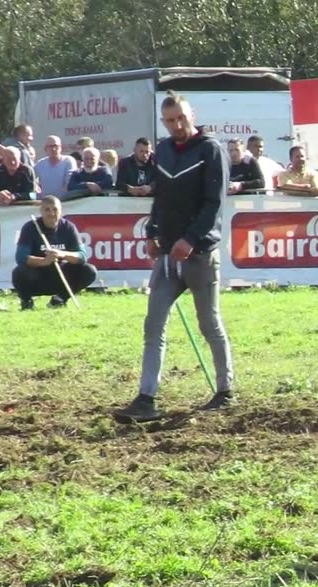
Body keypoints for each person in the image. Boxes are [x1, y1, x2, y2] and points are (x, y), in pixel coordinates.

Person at [114, 94, 234, 422]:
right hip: (167, 255)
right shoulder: (163, 150)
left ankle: (225, 390)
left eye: (180, 118)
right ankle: (146, 398)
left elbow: (214, 204)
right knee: (153, 324)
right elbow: (161, 197)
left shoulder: (211, 149)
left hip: (200, 255)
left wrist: (190, 239)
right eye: (170, 121)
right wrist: (153, 233)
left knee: (208, 322)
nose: (176, 125)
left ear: (191, 114)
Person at [12, 196, 98, 310]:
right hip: (37, 276)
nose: (51, 213)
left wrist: (62, 254)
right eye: (47, 210)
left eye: (55, 209)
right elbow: (21, 257)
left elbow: (82, 256)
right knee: (19, 272)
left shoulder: (68, 227)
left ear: (61, 211)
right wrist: (44, 261)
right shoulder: (30, 227)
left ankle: (59, 299)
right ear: (41, 211)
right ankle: (26, 301)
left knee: (89, 270)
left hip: (60, 275)